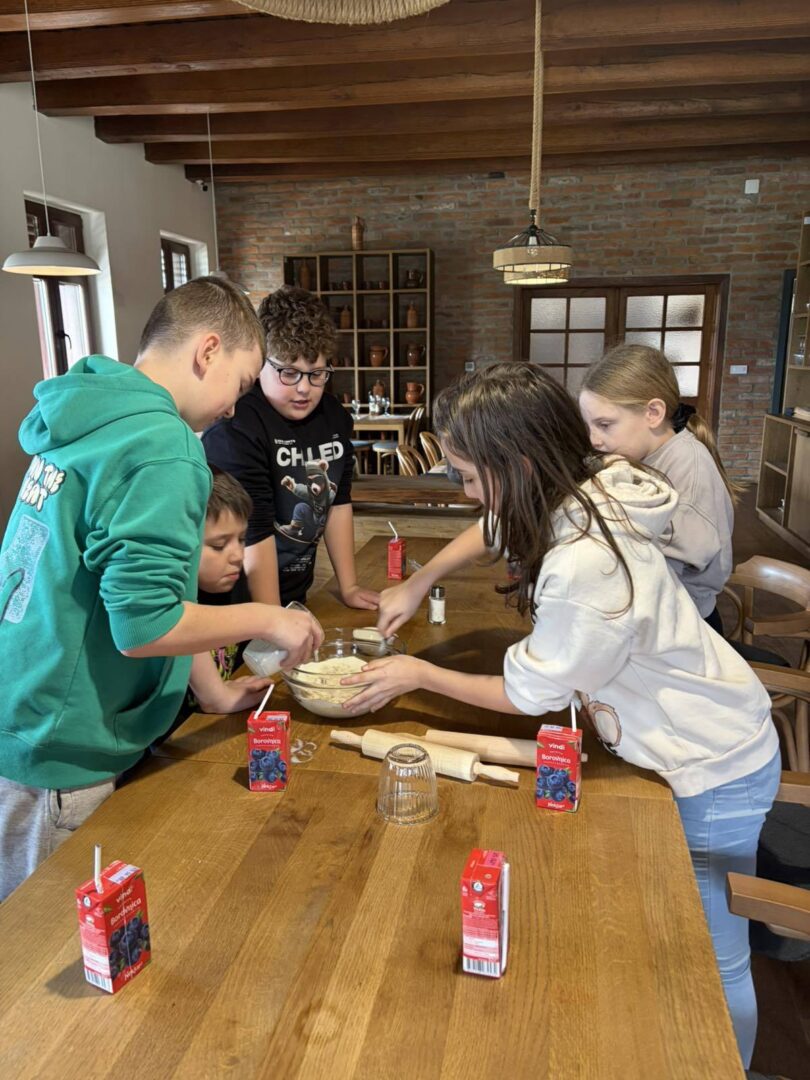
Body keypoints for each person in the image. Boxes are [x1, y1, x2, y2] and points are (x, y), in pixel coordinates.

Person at [341, 363, 780, 1068]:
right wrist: (421, 581)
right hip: (705, 731)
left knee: (710, 953)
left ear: (517, 466)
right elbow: (496, 524)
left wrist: (416, 673)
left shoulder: (583, 565)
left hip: (712, 760)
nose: (467, 494)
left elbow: (529, 693)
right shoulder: (581, 485)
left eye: (469, 477)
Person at [0, 276, 322, 901]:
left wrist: (214, 691)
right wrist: (268, 618)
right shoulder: (164, 447)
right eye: (241, 383)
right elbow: (145, 623)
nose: (233, 408)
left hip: (24, 700)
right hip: (65, 737)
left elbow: (147, 591)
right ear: (208, 351)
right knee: (48, 930)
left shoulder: (95, 412)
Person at [203, 286, 379, 612]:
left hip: (294, 593)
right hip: (239, 605)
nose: (304, 388)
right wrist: (275, 621)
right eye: (289, 373)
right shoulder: (237, 428)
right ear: (260, 363)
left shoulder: (334, 418)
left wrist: (349, 586)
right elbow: (255, 531)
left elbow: (338, 502)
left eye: (316, 374)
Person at [578, 343, 744, 634]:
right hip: (655, 617)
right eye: (590, 425)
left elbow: (662, 570)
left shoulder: (689, 466)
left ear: (653, 413)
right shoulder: (638, 455)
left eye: (605, 425)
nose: (594, 439)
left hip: (684, 626)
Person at [184, 466, 273, 716]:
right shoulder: (170, 602)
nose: (237, 556)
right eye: (219, 545)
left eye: (242, 539)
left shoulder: (235, 583)